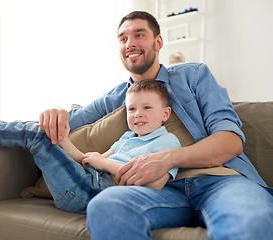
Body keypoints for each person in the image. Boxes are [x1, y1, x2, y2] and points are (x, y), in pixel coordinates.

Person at [37, 11, 273, 240]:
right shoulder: (116, 97)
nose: (130, 43)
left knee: (249, 219)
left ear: (158, 41)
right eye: (123, 38)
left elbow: (230, 140)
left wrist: (167, 159)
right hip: (157, 191)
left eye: (139, 35)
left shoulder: (194, 75)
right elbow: (70, 119)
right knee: (107, 205)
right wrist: (55, 113)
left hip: (219, 181)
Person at [0, 80, 181, 213]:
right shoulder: (127, 138)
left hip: (93, 195)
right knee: (43, 131)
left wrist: (104, 163)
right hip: (85, 179)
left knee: (35, 135)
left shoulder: (168, 142)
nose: (137, 114)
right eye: (133, 108)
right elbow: (86, 159)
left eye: (147, 108)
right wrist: (63, 141)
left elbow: (153, 185)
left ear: (165, 113)